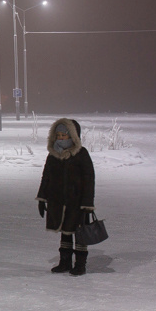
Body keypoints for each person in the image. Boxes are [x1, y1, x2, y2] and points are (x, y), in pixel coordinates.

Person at [35, 117, 95, 276]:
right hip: (58, 200)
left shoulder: (81, 154)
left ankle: (80, 264)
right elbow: (46, 177)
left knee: (79, 232)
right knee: (65, 231)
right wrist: (42, 198)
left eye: (64, 135)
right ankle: (65, 262)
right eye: (58, 135)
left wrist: (87, 203)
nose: (61, 138)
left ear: (73, 136)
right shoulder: (53, 155)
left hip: (77, 202)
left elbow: (89, 179)